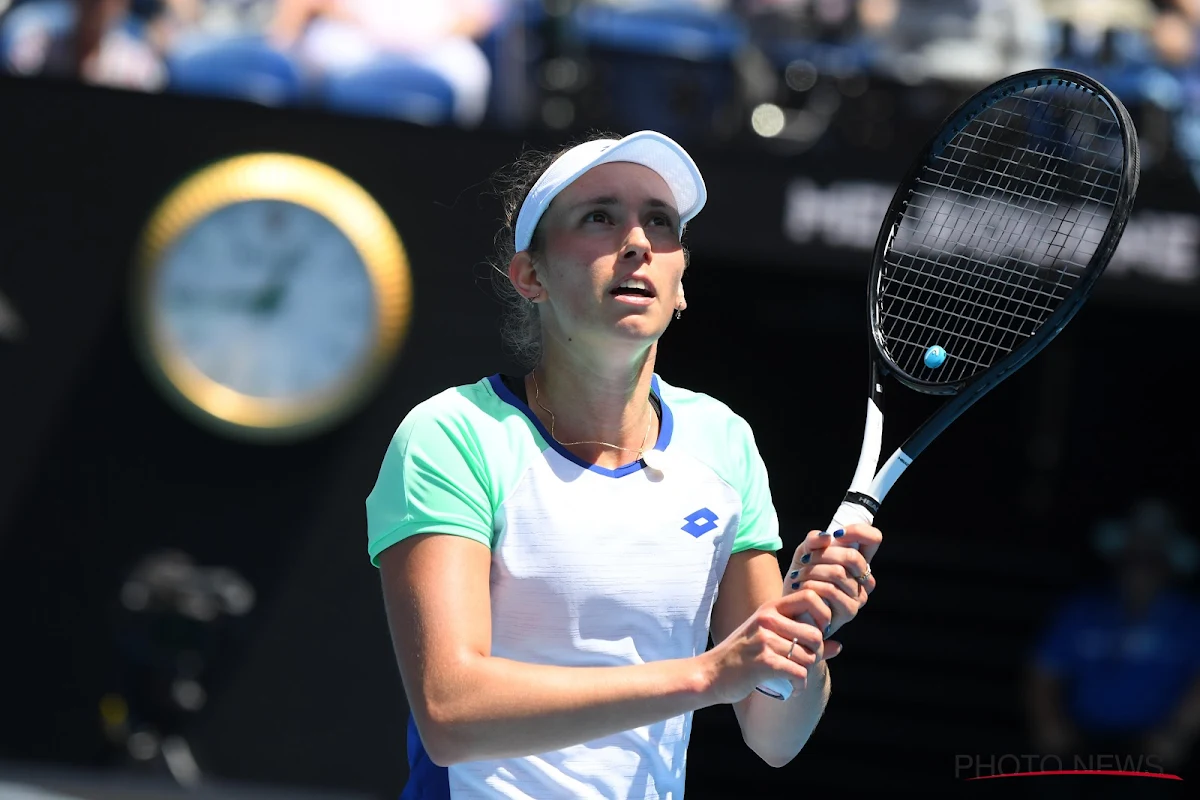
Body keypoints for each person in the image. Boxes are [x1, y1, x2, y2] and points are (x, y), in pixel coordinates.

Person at [365, 129, 882, 798]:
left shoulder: (723, 442)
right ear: (531, 275)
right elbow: (451, 712)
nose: (637, 241)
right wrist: (706, 675)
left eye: (660, 222)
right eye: (599, 217)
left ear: (681, 282)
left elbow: (773, 733)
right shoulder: (452, 437)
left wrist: (802, 634)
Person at [1026, 497, 1200, 787]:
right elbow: (1042, 670)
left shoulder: (1190, 617)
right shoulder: (1081, 609)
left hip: (1151, 751)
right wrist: (1048, 723)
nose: (1141, 562)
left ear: (1169, 559)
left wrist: (1178, 732)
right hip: (1080, 744)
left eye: (1152, 554)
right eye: (1136, 550)